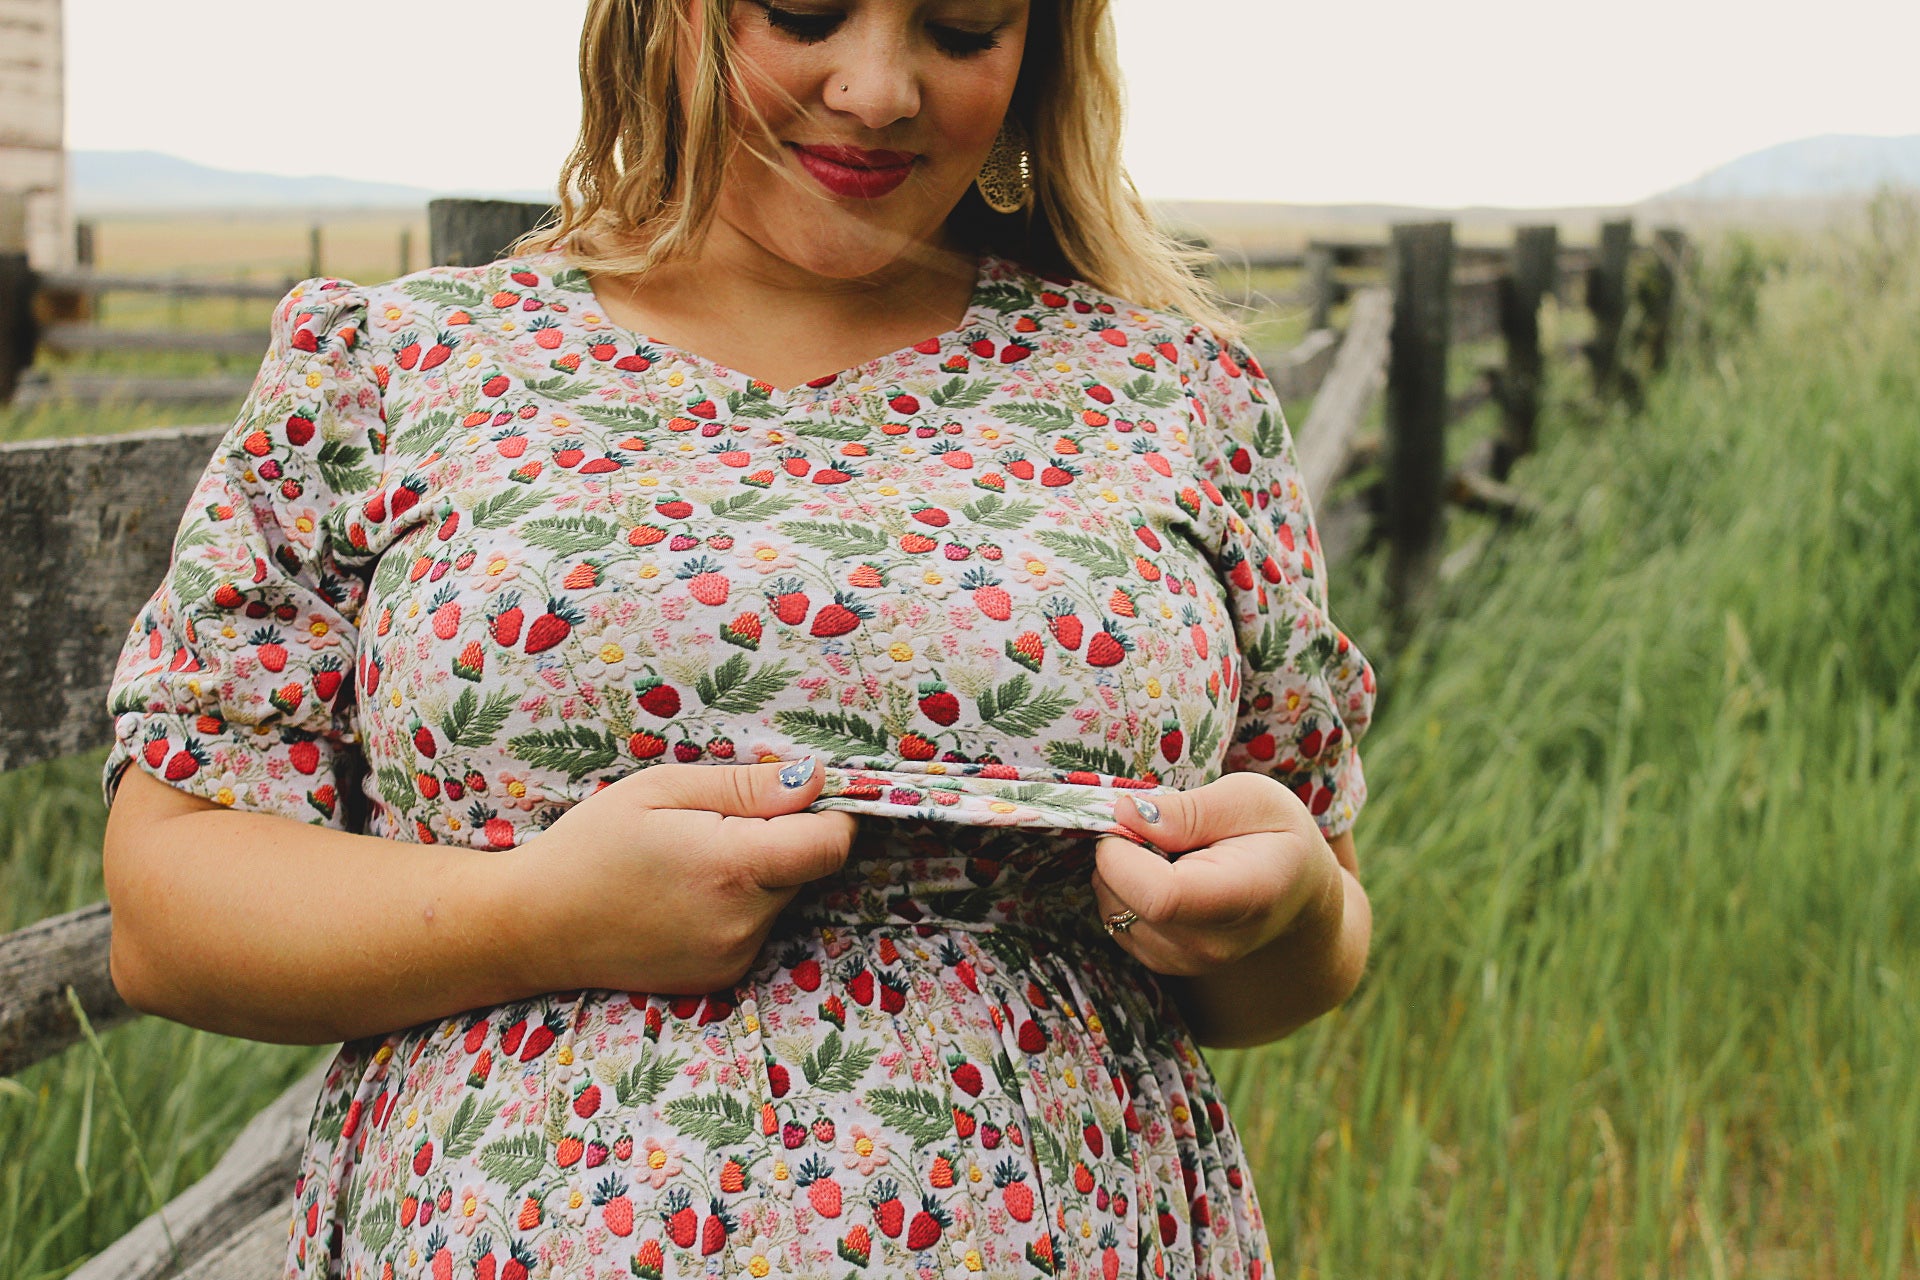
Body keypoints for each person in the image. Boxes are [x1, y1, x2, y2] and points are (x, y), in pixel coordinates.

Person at [98, 0, 1377, 1275]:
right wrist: (533, 916)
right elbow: (167, 910)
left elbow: (1294, 945)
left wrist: (1292, 915)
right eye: (806, 10)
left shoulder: (1171, 394)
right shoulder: (398, 368)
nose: (879, 88)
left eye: (964, 28)